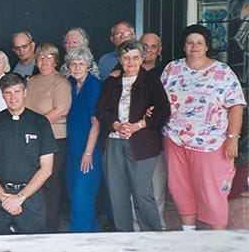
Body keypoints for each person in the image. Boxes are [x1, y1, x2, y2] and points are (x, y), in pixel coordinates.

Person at [161, 24, 246, 230]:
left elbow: (236, 106)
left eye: (199, 43)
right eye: (190, 42)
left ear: (207, 46)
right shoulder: (172, 69)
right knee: (181, 190)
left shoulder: (222, 72)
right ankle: (188, 237)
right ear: (184, 46)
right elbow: (157, 99)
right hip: (174, 139)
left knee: (212, 192)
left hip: (211, 143)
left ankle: (217, 242)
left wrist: (232, 137)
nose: (194, 46)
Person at [96, 40, 170, 232]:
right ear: (120, 59)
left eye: (135, 57)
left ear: (142, 59)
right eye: (126, 58)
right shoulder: (111, 82)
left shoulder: (151, 81)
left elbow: (163, 112)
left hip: (142, 144)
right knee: (117, 193)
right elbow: (101, 111)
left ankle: (152, 239)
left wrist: (138, 125)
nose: (131, 62)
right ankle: (124, 239)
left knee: (142, 193)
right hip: (114, 142)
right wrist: (116, 125)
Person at [0, 73, 58, 235]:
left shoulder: (40, 123)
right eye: (8, 93)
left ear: (25, 93)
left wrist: (20, 197)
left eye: (17, 92)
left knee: (33, 246)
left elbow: (46, 168)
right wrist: (4, 199)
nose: (13, 97)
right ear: (2, 96)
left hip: (30, 198)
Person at [25, 43, 71, 232]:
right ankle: (35, 224)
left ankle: (50, 227)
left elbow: (60, 110)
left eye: (49, 57)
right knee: (33, 181)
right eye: (41, 57)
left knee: (50, 183)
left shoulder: (61, 82)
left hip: (55, 139)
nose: (44, 61)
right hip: (32, 140)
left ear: (56, 61)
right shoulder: (31, 81)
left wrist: (36, 126)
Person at [63, 46, 102, 232]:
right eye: (73, 64)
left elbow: (96, 123)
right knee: (76, 198)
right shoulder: (68, 83)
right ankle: (95, 241)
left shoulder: (94, 86)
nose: (77, 68)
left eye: (81, 64)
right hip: (71, 149)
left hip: (88, 150)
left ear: (88, 66)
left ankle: (75, 243)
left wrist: (88, 153)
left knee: (81, 200)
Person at [139, 31, 168, 229]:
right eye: (144, 46)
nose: (148, 51)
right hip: (130, 140)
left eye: (153, 47)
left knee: (156, 190)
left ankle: (158, 236)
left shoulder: (168, 72)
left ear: (160, 50)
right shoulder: (124, 69)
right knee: (134, 191)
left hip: (157, 140)